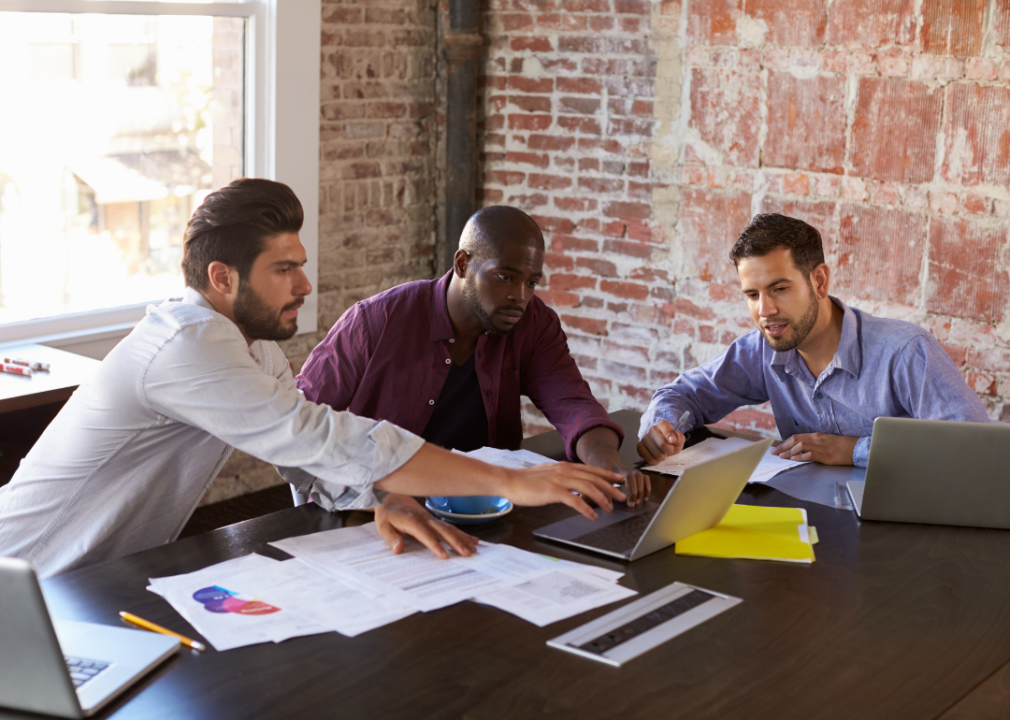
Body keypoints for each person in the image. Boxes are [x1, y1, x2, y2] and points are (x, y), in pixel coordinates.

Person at [0, 180, 625, 578]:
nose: (303, 285)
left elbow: (308, 464)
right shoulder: (188, 346)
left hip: (106, 575)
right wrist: (513, 480)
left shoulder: (253, 348)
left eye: (301, 266)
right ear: (223, 278)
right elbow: (323, 436)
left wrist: (383, 498)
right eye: (283, 269)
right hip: (29, 577)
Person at [298, 206, 652, 513]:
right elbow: (299, 427)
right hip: (375, 507)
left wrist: (609, 467)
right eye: (504, 277)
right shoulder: (375, 322)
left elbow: (573, 403)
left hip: (484, 508)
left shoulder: (533, 324)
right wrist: (374, 496)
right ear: (463, 263)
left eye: (531, 282)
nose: (520, 297)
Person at [637, 213, 989, 468]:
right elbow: (682, 394)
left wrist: (856, 451)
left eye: (779, 289)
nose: (765, 310)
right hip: (808, 525)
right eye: (752, 294)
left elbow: (974, 451)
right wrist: (663, 428)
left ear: (819, 281)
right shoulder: (763, 349)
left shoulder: (905, 351)